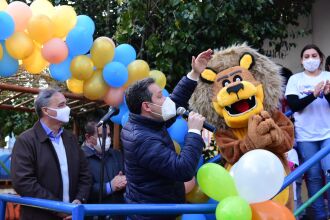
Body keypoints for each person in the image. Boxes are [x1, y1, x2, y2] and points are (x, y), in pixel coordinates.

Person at [121, 49, 212, 220]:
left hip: (161, 210)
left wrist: (194, 72)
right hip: (150, 216)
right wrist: (194, 131)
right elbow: (183, 170)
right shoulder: (141, 138)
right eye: (160, 97)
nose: (166, 100)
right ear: (147, 107)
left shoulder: (147, 121)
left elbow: (174, 101)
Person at [11, 88, 92, 220]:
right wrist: (57, 207)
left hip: (73, 214)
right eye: (61, 105)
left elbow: (85, 174)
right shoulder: (26, 141)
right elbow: (23, 182)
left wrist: (79, 200)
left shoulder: (70, 139)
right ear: (46, 110)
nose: (67, 108)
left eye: (66, 104)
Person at [285, 44, 330, 220]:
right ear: (302, 61)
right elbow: (294, 105)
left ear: (320, 58)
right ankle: (319, 216)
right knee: (312, 177)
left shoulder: (328, 77)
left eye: (314, 55)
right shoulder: (295, 80)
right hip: (306, 136)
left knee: (329, 172)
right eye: (307, 56)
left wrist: (326, 94)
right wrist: (314, 94)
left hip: (328, 134)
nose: (311, 59)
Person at [82, 121, 126, 220]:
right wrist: (110, 186)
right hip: (95, 215)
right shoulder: (80, 158)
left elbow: (127, 176)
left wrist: (124, 180)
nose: (107, 139)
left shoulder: (116, 154)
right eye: (102, 136)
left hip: (118, 214)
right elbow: (82, 190)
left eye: (109, 135)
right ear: (88, 137)